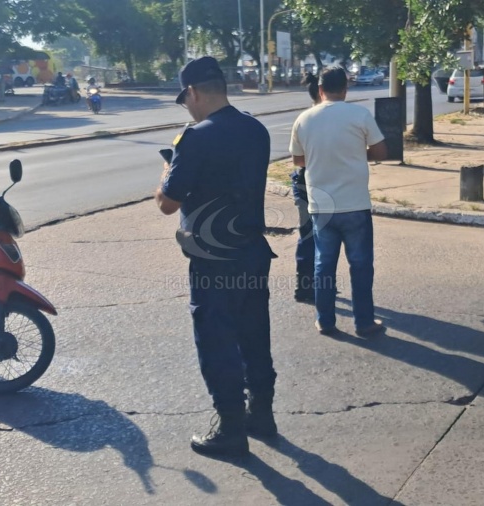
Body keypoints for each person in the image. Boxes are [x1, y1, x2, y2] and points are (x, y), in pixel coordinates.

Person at [155, 56, 277, 458]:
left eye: (185, 100)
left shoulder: (195, 138)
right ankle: (262, 413)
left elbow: (167, 203)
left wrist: (167, 171)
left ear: (192, 92)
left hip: (213, 259)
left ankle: (230, 429)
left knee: (216, 340)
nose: (187, 108)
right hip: (253, 251)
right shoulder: (255, 129)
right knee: (254, 333)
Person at [288, 67, 388, 337]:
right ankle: (364, 323)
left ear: (320, 90)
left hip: (321, 206)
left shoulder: (304, 119)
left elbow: (298, 160)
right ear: (345, 89)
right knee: (361, 266)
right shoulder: (360, 115)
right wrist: (355, 154)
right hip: (355, 204)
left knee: (323, 265)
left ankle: (325, 320)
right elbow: (381, 151)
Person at [290, 72, 321, 303]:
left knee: (307, 235)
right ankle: (315, 284)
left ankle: (305, 285)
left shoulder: (304, 119)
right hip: (320, 185)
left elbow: (297, 160)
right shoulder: (323, 120)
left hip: (303, 183)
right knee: (321, 238)